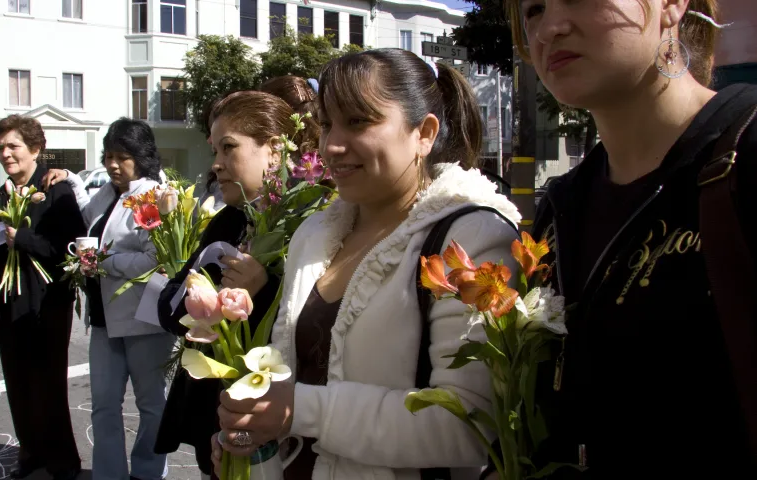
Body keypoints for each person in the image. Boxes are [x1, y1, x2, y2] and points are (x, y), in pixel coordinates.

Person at [211, 48, 522, 479]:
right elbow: (286, 372)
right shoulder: (314, 235)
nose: (333, 145)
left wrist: (298, 410)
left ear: (424, 133)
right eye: (325, 124)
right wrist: (254, 435)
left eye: (358, 121)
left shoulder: (471, 240)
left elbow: (469, 426)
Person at [504, 0, 757, 478]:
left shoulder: (743, 154)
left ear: (671, 5)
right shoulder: (561, 209)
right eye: (534, 9)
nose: (550, 28)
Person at [154, 89, 318, 479]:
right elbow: (169, 310)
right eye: (215, 150)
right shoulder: (227, 222)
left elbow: (320, 335)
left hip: (280, 424)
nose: (217, 165)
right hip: (213, 418)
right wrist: (209, 305)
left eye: (229, 148)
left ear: (275, 150)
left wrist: (269, 284)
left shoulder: (313, 226)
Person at [42, 118, 176, 480]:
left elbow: (157, 259)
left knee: (151, 406)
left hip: (143, 320)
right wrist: (70, 177)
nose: (113, 164)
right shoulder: (111, 191)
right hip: (103, 320)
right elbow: (89, 216)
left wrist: (105, 263)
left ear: (142, 157)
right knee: (103, 406)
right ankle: (109, 474)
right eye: (108, 156)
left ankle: (147, 473)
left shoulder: (153, 196)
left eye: (123, 156)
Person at [0, 115, 83, 480]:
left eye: (13, 146)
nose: (6, 153)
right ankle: (30, 453)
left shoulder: (55, 189)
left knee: (48, 384)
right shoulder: (1, 195)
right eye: (1, 147)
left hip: (46, 300)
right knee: (17, 383)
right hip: (9, 298)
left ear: (35, 149)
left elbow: (71, 247)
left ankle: (63, 461)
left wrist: (26, 239)